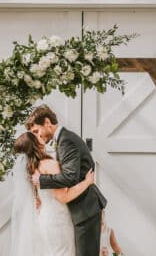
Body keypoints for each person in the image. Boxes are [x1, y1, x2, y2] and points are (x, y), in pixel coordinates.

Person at [27, 105, 106, 256]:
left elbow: (70, 177)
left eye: (37, 131)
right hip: (82, 209)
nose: (38, 136)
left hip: (85, 209)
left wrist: (41, 180)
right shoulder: (63, 139)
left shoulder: (66, 140)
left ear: (47, 122)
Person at [13, 131, 95, 256]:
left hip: (45, 217)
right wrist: (87, 182)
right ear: (36, 145)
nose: (41, 136)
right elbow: (64, 197)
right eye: (37, 136)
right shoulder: (49, 165)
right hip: (58, 219)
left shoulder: (32, 168)